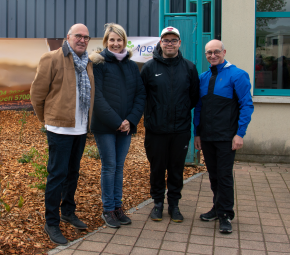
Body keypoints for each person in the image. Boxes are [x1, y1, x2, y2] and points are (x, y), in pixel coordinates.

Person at [30, 23, 95, 245]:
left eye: (86, 37)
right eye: (78, 36)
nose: (82, 40)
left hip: (80, 127)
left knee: (73, 173)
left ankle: (67, 211)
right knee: (57, 175)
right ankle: (51, 222)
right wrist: (48, 120)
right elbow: (37, 94)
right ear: (68, 37)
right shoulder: (52, 58)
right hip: (60, 128)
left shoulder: (88, 62)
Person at [140, 26, 200, 223]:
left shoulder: (189, 68)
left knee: (176, 169)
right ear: (160, 43)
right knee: (157, 168)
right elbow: (142, 97)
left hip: (180, 130)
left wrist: (179, 113)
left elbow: (193, 98)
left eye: (174, 40)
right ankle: (157, 203)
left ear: (179, 43)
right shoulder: (149, 68)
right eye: (166, 40)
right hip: (156, 130)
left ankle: (174, 205)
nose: (170, 44)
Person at [194, 39, 254, 234]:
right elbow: (199, 108)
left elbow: (247, 105)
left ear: (224, 52)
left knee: (224, 175)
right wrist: (197, 133)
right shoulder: (203, 77)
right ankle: (217, 207)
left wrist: (240, 134)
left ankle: (226, 214)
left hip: (227, 137)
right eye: (209, 53)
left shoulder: (237, 75)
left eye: (216, 52)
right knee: (213, 175)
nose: (212, 55)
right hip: (208, 137)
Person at [89, 23, 146, 228]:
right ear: (106, 41)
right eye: (111, 40)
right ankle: (108, 210)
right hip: (105, 126)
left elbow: (140, 94)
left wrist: (130, 121)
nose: (115, 43)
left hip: (126, 126)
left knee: (119, 167)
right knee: (109, 166)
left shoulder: (131, 65)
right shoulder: (98, 64)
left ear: (124, 41)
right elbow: (98, 98)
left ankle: (117, 207)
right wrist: (117, 122)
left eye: (119, 40)